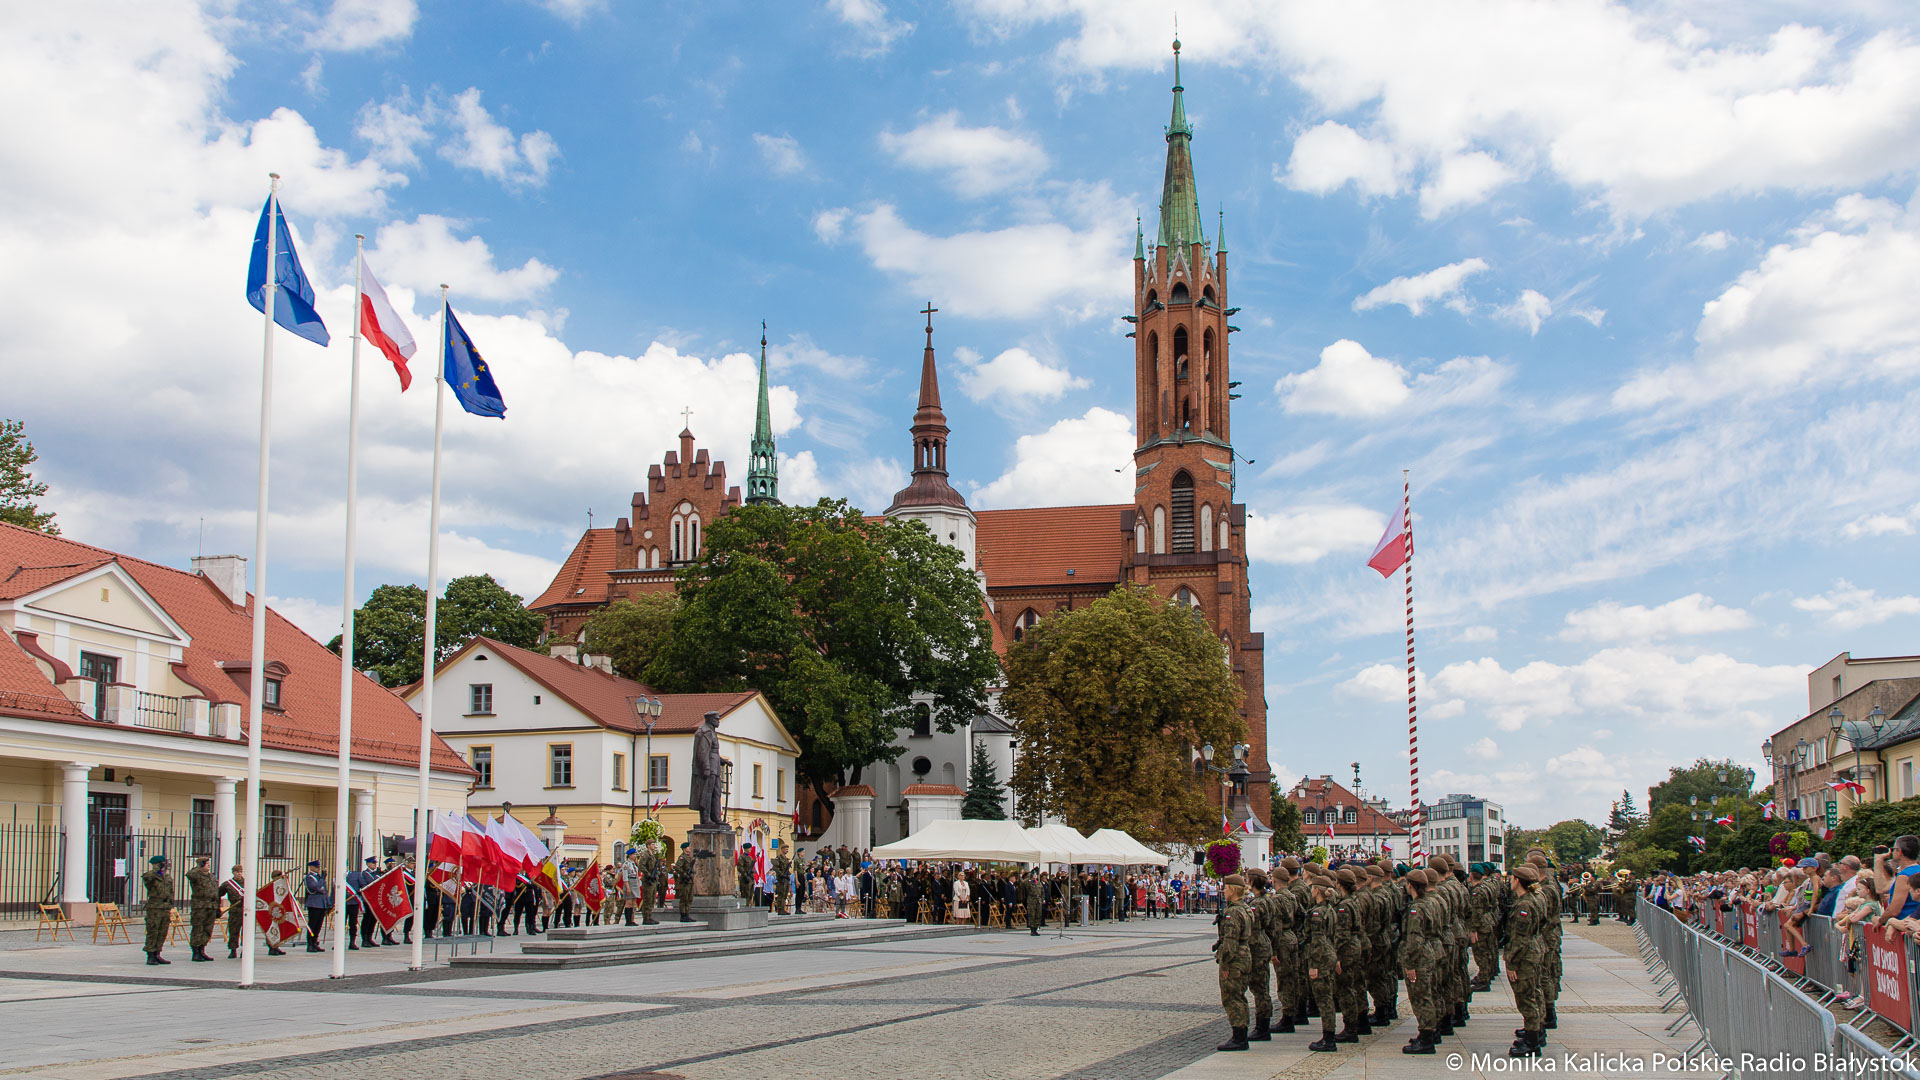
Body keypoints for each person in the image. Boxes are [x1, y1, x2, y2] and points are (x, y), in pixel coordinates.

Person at [1505, 865, 1550, 1058]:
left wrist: (1512, 962)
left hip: (1525, 955)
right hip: (1534, 948)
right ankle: (1536, 1031)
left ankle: (1532, 1043)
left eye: (1513, 878)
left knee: (1526, 997)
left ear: (1518, 881)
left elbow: (1520, 937)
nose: (1510, 881)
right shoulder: (1534, 899)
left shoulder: (1525, 904)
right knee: (1534, 992)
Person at [1400, 867, 1443, 1054]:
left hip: (1419, 957)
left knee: (1421, 997)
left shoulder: (1417, 908)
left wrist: (1409, 963)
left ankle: (1426, 1038)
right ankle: (1429, 1033)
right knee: (1428, 995)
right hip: (1429, 952)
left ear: (1411, 885)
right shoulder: (1431, 902)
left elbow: (1415, 937)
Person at [1212, 873, 1254, 1052]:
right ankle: (1241, 1033)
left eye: (1227, 888)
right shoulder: (1245, 908)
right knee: (1240, 995)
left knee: (1232, 996)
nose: (1224, 891)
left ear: (1233, 890)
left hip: (1235, 958)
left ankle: (1239, 1036)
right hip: (1244, 955)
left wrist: (1225, 964)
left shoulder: (1233, 912)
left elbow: (1230, 941)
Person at [1303, 871, 1342, 1052]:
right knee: (1327, 998)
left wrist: (1314, 965)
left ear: (1317, 890)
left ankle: (1329, 1038)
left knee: (1324, 999)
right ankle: (1329, 1036)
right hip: (1329, 955)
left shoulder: (1318, 912)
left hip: (1321, 958)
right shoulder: (1330, 909)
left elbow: (1317, 940)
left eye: (1312, 888)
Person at [142, 854, 174, 966]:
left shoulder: (167, 877)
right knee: (153, 931)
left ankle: (157, 953)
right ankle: (150, 955)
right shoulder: (150, 876)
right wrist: (156, 870)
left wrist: (171, 904)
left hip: (165, 908)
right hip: (154, 908)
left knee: (162, 932)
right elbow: (147, 878)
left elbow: (171, 892)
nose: (163, 865)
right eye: (161, 863)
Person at [186, 855, 218, 962]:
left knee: (207, 929)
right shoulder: (196, 875)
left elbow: (215, 892)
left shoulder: (212, 877)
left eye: (209, 863)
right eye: (206, 863)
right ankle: (195, 952)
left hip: (211, 906)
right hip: (199, 906)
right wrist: (198, 867)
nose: (208, 865)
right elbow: (189, 874)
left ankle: (202, 949)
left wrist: (217, 907)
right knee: (198, 929)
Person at [220, 864, 255, 958]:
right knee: (234, 930)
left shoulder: (247, 883)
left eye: (240, 872)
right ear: (233, 872)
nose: (239, 874)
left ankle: (245, 950)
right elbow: (218, 893)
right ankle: (233, 950)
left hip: (246, 910)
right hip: (235, 910)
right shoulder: (228, 884)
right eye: (237, 872)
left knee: (246, 931)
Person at [301, 859, 331, 953]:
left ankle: (315, 942)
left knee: (318, 925)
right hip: (314, 904)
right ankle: (310, 943)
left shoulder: (318, 877)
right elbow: (316, 887)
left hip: (321, 904)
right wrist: (322, 878)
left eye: (319, 867)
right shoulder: (309, 877)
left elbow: (325, 891)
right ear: (311, 867)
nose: (318, 869)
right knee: (312, 925)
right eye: (316, 867)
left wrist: (328, 903)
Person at [675, 845, 696, 922]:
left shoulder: (689, 857)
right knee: (684, 898)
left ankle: (687, 914)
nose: (689, 848)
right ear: (684, 849)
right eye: (688, 847)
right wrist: (684, 874)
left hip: (690, 881)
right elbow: (677, 867)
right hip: (684, 881)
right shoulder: (682, 857)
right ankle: (683, 915)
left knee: (689, 898)